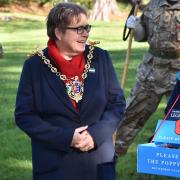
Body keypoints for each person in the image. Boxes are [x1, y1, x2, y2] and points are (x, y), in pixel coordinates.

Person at [14, 2, 126, 180]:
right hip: (55, 165)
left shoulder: (101, 58)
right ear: (58, 32)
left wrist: (95, 136)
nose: (85, 33)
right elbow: (25, 116)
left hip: (99, 163)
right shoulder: (34, 66)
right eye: (78, 29)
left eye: (87, 27)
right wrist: (66, 137)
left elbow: (117, 104)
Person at [115, 0, 180, 156]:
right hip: (151, 72)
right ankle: (109, 156)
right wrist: (135, 27)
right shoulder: (153, 6)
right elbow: (141, 36)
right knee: (131, 115)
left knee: (178, 120)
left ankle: (173, 161)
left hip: (178, 74)